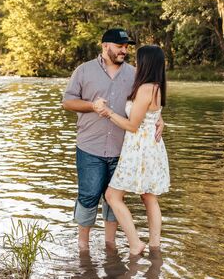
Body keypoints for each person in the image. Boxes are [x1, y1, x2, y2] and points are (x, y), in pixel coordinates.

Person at [62, 28, 164, 250]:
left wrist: (160, 119)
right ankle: (83, 247)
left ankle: (110, 244)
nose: (124, 51)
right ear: (105, 46)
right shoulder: (83, 71)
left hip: (122, 148)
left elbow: (148, 106)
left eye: (127, 47)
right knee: (88, 196)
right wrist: (91, 105)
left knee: (113, 200)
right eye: (120, 46)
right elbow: (67, 102)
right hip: (90, 145)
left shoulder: (136, 74)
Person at [97, 45, 170, 256]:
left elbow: (132, 125)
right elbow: (152, 114)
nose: (135, 63)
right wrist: (160, 120)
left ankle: (135, 243)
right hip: (151, 148)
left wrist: (108, 112)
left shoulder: (146, 88)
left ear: (146, 62)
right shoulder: (157, 86)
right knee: (149, 197)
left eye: (138, 60)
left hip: (139, 149)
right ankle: (155, 247)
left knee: (112, 195)